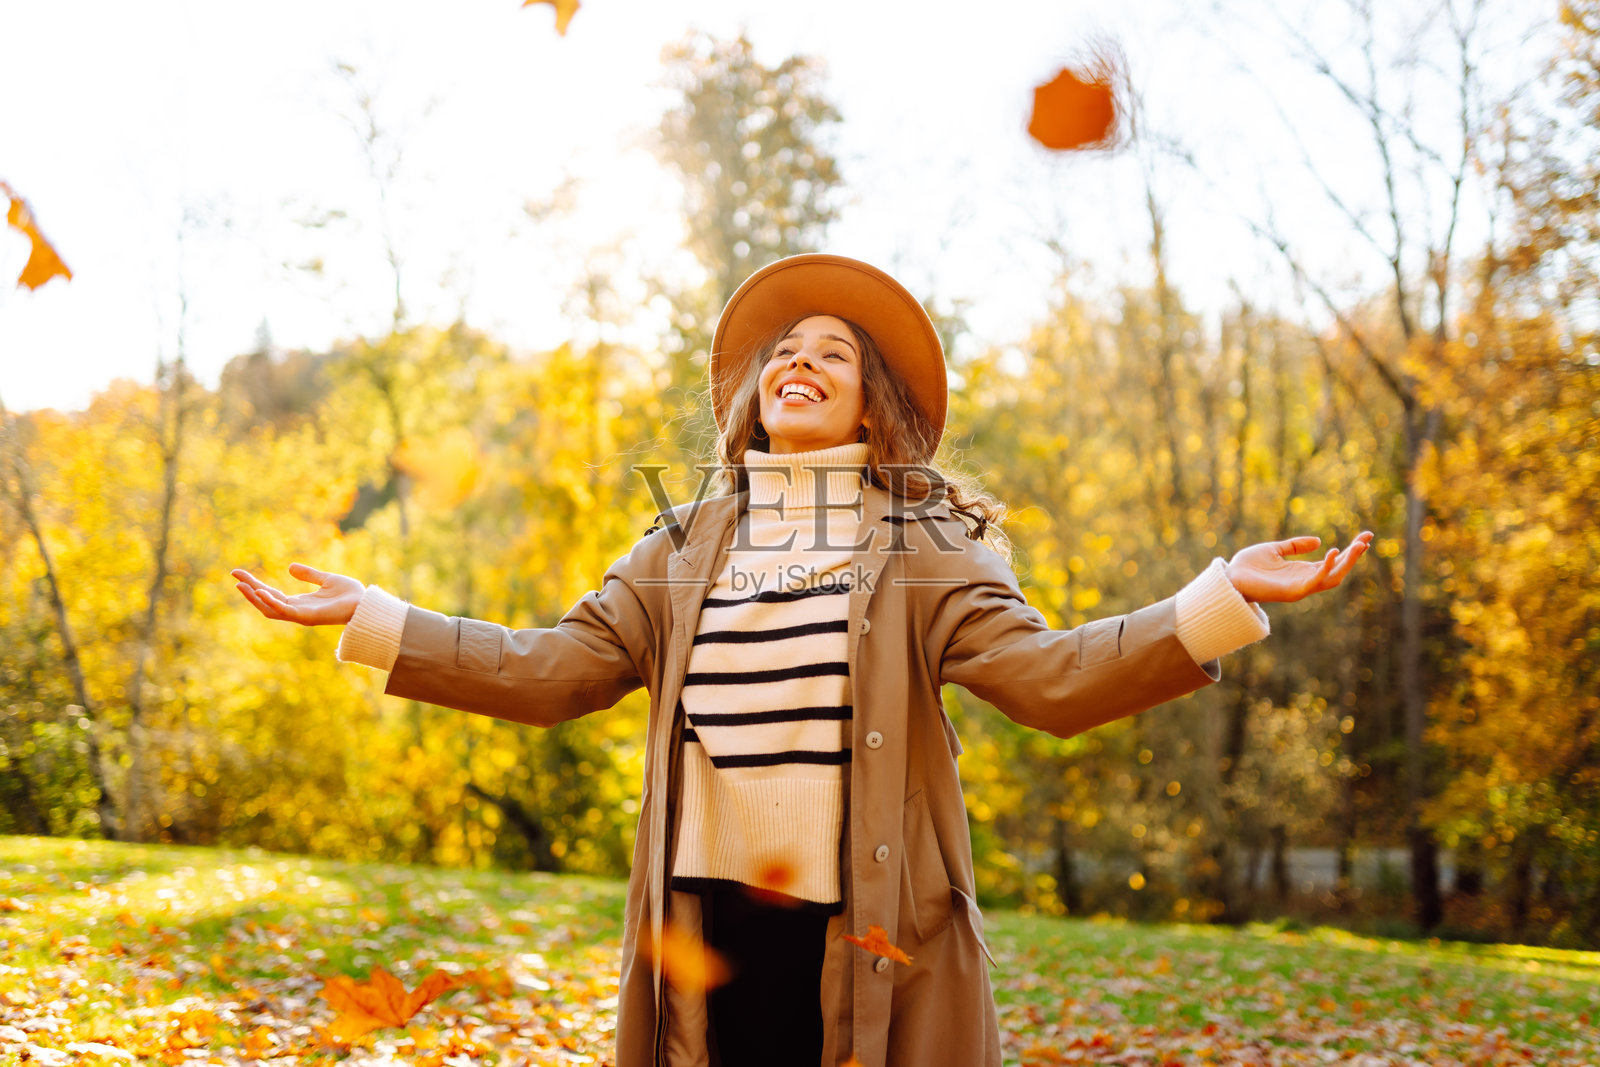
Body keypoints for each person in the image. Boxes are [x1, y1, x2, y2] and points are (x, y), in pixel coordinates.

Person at [232, 253, 1372, 1067]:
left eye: (832, 352)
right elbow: (551, 669)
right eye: (784, 350)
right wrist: (376, 615)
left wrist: (1216, 600)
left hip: (860, 916)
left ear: (872, 405)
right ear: (755, 395)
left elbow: (1046, 678)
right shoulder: (681, 545)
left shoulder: (928, 540)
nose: (800, 361)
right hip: (702, 915)